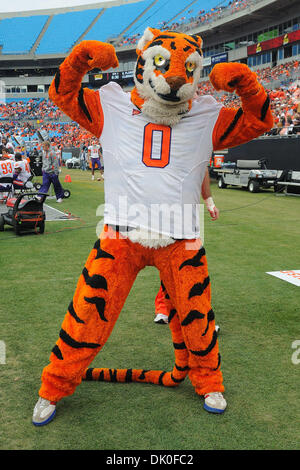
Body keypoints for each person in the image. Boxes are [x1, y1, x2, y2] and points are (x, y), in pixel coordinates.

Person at [154, 167, 219, 324]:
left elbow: (203, 169)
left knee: (193, 266)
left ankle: (198, 314)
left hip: (187, 213)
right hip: (165, 210)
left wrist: (209, 202)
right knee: (168, 264)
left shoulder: (197, 145)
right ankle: (165, 308)